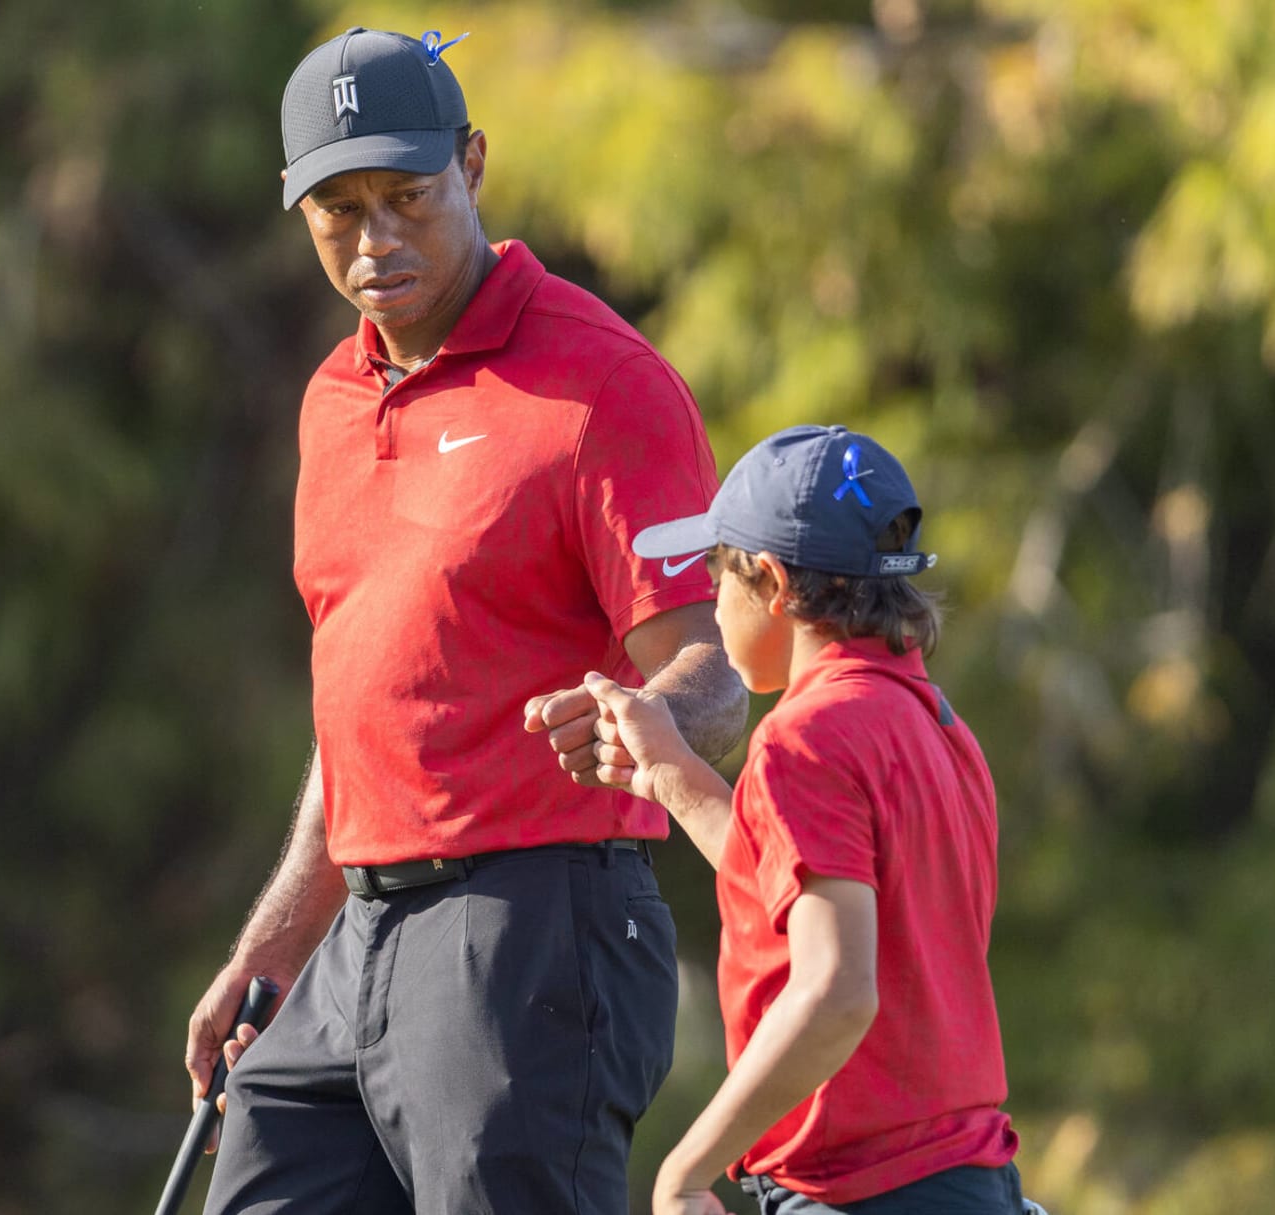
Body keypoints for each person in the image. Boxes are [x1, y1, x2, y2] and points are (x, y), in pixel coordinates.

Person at [180, 26, 748, 1215]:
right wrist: (278, 939)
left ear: (474, 164)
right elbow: (366, 716)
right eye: (340, 208)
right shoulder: (332, 403)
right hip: (357, 945)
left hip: (532, 928)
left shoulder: (603, 384)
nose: (377, 238)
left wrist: (649, 722)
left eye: (409, 196)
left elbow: (713, 665)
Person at [575, 425, 1032, 1214]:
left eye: (719, 573)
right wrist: (673, 775)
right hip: (967, 1182)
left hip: (866, 1193)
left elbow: (838, 989)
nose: (713, 607)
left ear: (774, 583)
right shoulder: (935, 723)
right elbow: (798, 886)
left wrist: (687, 1166)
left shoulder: (807, 737)